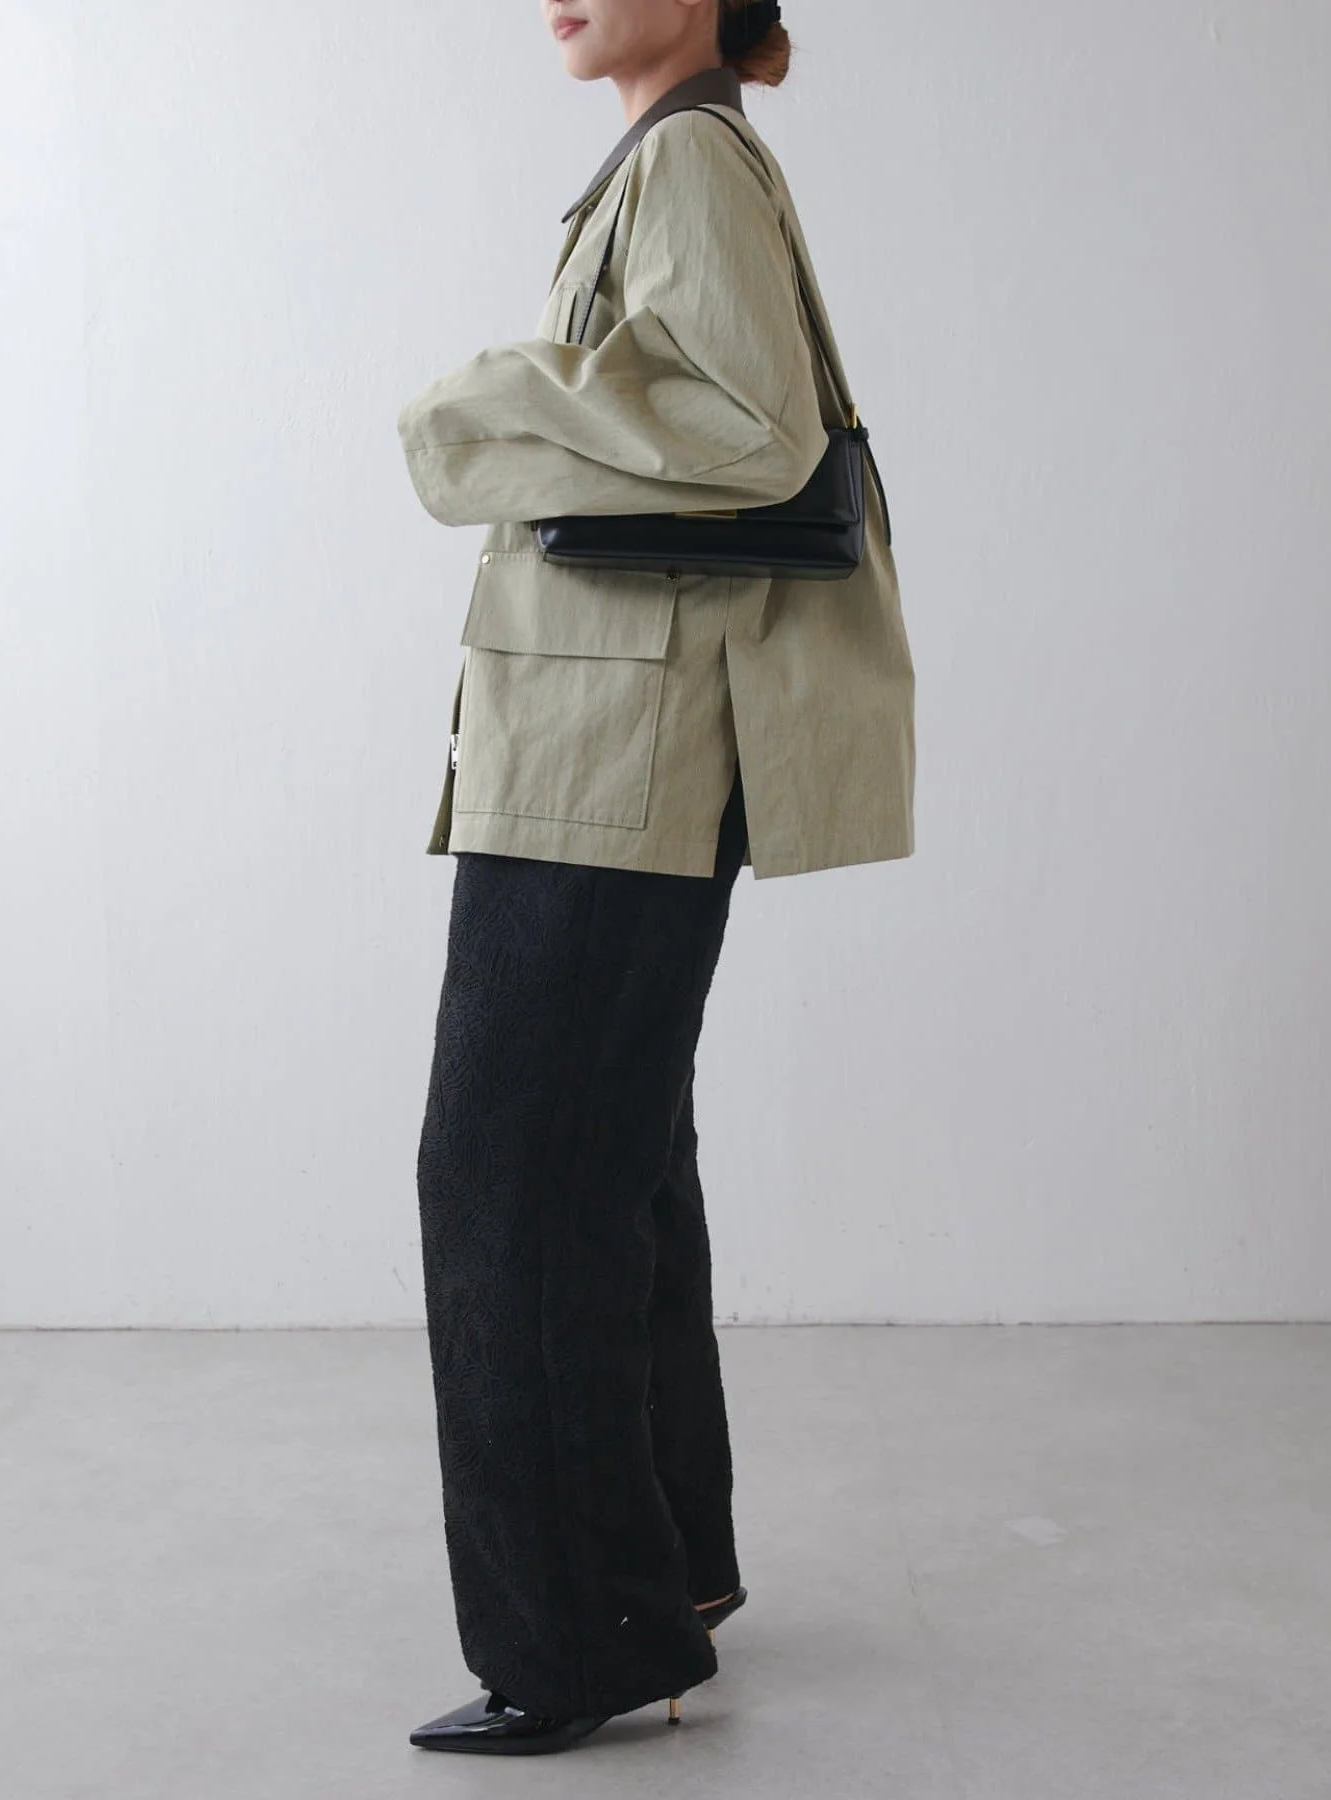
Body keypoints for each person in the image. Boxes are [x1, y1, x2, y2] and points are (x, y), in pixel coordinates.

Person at [395, 0, 916, 1757]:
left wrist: (486, 399)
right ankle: (666, 1572)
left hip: (614, 757)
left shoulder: (686, 159)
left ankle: (579, 1641)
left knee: (508, 1180)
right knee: (609, 1167)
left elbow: (753, 427)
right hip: (619, 746)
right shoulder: (680, 154)